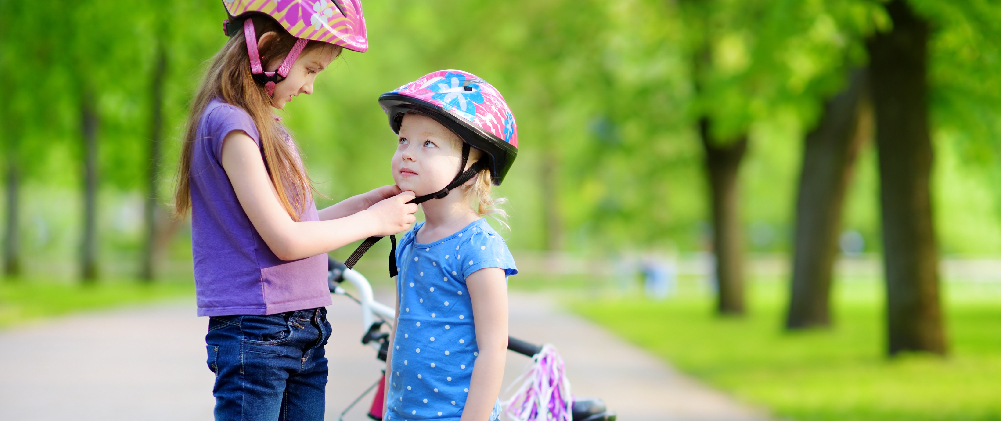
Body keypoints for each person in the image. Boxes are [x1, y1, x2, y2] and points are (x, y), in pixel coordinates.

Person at [171, 2, 418, 420]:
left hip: (303, 329)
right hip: (258, 333)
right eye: (311, 69)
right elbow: (286, 242)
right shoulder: (231, 126)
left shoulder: (264, 127)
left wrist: (361, 207)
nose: (310, 87)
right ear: (268, 48)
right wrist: (373, 221)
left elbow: (291, 229)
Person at [379, 70, 520, 421]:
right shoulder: (409, 238)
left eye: (428, 144)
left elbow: (493, 349)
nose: (408, 153)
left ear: (472, 165)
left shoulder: (479, 247)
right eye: (403, 141)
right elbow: (399, 332)